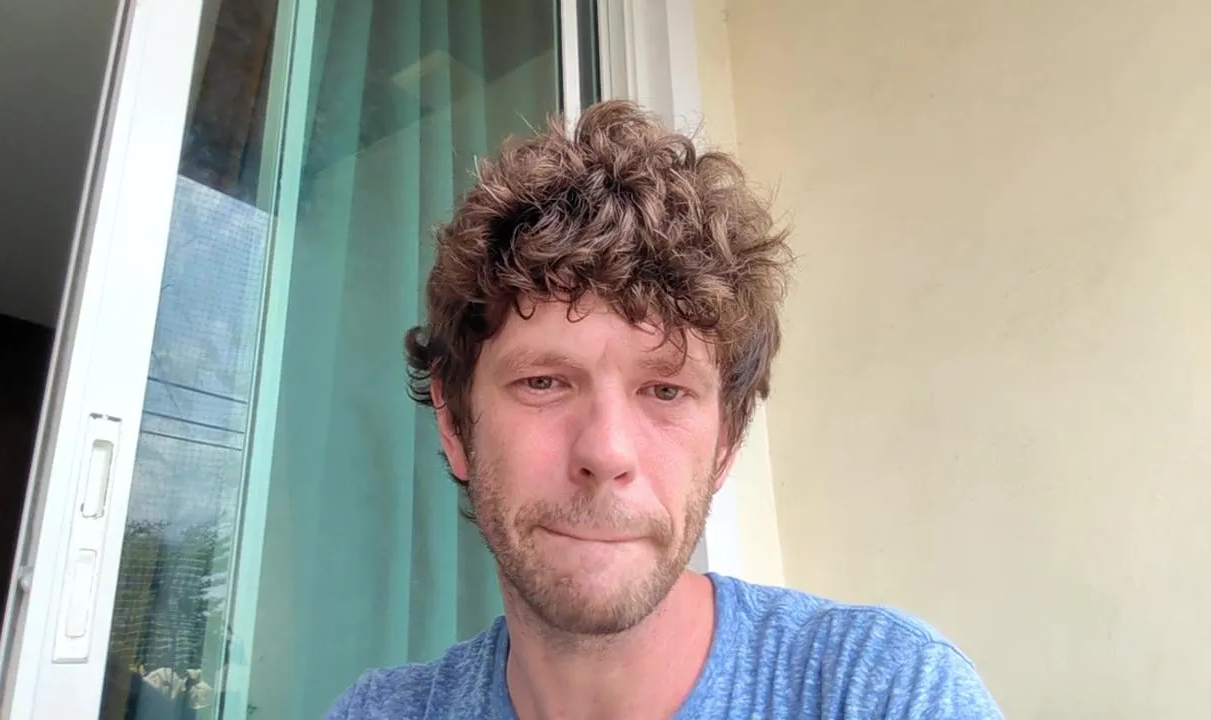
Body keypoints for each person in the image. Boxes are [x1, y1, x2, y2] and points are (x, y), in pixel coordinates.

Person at [326, 100, 1002, 719]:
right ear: (453, 423)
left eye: (666, 391)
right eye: (543, 382)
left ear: (727, 444)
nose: (606, 452)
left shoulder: (882, 692)